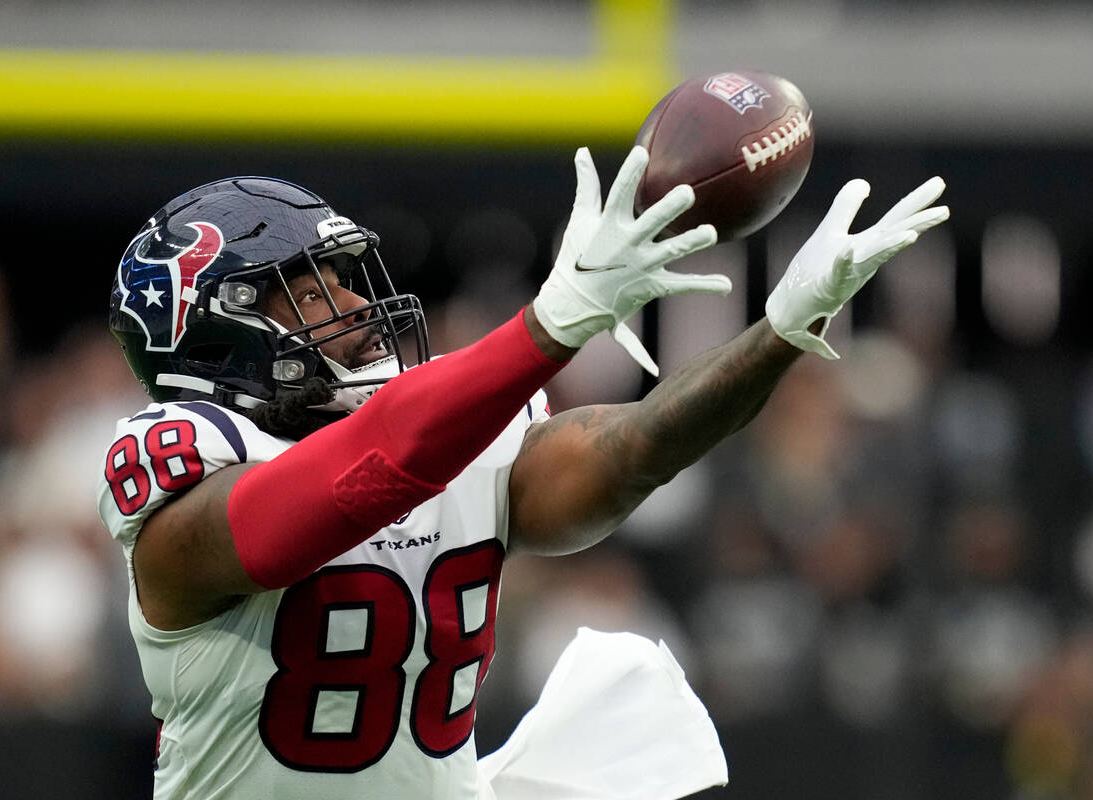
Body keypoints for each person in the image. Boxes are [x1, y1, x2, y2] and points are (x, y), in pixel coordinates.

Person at [97, 145, 948, 799]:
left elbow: (631, 451)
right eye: (314, 293)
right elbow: (325, 499)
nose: (356, 309)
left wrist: (779, 332)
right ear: (214, 326)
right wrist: (547, 326)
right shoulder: (184, 453)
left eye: (346, 282)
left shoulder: (439, 424)